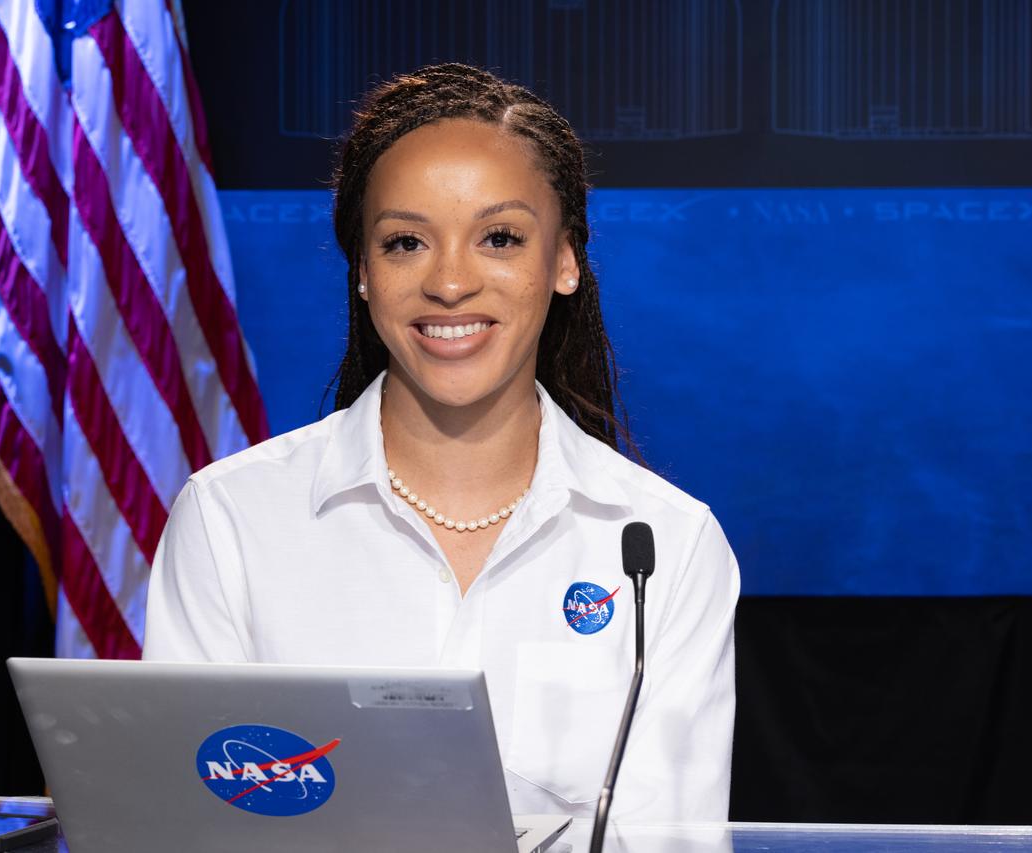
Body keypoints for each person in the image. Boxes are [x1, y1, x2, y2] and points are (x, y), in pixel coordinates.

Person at [144, 63, 739, 825]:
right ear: (362, 270)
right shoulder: (231, 519)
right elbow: (185, 828)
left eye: (499, 237)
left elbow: (670, 842)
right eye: (404, 243)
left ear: (564, 262)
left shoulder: (668, 545)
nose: (450, 283)